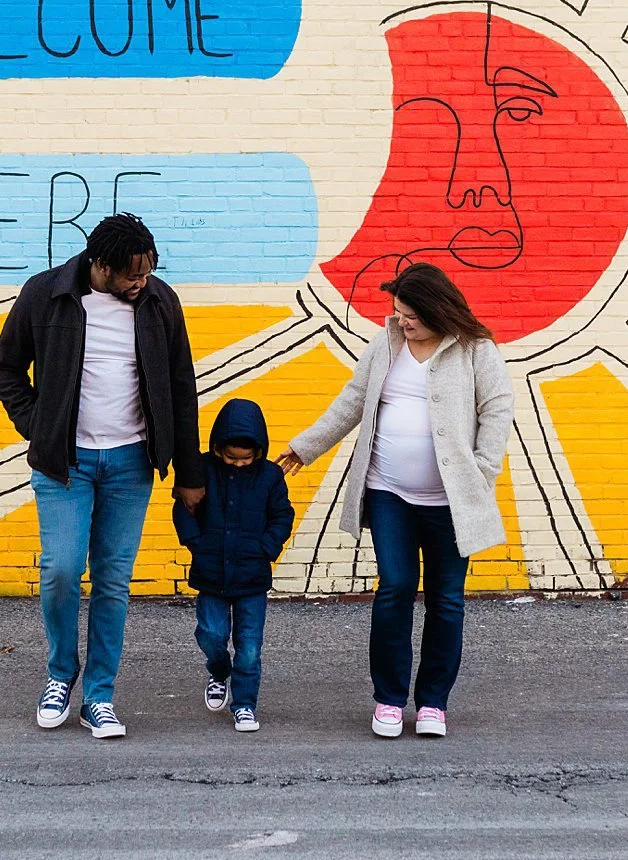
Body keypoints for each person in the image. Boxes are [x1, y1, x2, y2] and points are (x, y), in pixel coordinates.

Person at [0, 213, 203, 739]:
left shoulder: (159, 302)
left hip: (132, 464)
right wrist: (39, 427)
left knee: (112, 582)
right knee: (61, 571)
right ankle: (61, 674)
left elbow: (181, 384)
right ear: (99, 265)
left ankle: (100, 696)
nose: (141, 282)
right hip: (66, 463)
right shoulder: (47, 294)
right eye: (131, 273)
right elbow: (6, 367)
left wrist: (189, 469)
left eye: (149, 271)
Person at [278, 262, 510, 739]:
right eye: (399, 312)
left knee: (446, 601)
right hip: (389, 492)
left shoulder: (476, 350)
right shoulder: (385, 345)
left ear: (438, 309)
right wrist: (306, 445)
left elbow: (496, 409)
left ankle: (432, 705)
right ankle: (388, 699)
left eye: (413, 315)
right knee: (395, 587)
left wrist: (481, 473)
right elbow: (353, 400)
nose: (404, 322)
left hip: (450, 501)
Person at [172, 397, 294, 733]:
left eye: (246, 459)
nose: (238, 464)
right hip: (210, 573)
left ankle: (244, 705)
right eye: (230, 458)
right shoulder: (202, 469)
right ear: (217, 448)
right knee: (210, 634)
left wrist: (266, 547)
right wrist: (196, 543)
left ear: (259, 451)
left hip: (252, 577)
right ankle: (219, 672)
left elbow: (283, 515)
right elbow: (183, 505)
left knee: (250, 647)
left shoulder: (269, 476)